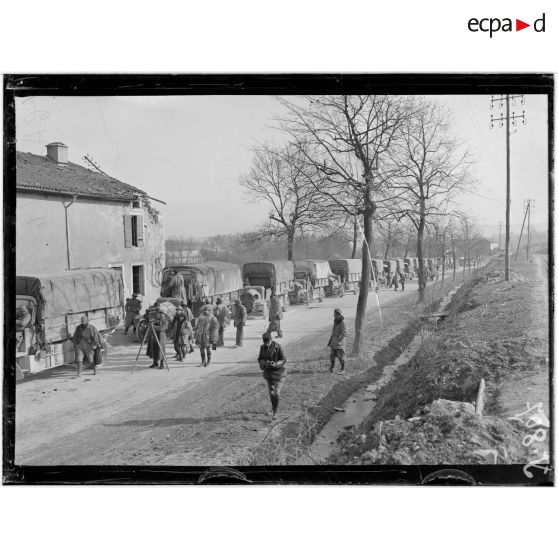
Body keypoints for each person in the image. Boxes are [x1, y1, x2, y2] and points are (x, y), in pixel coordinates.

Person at [258, 332, 287, 419]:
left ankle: (275, 412)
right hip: (268, 373)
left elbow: (283, 359)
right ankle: (273, 409)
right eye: (265, 343)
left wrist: (276, 364)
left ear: (271, 340)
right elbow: (259, 359)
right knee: (271, 393)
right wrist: (264, 363)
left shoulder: (278, 347)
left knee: (276, 393)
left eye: (268, 342)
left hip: (279, 374)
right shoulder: (262, 347)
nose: (266, 344)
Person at [327, 308, 348, 374]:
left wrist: (339, 339)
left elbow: (345, 333)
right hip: (334, 341)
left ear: (338, 315)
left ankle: (343, 370)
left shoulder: (343, 322)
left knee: (341, 357)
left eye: (335, 314)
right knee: (332, 356)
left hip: (339, 343)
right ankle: (332, 368)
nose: (334, 315)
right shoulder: (336, 320)